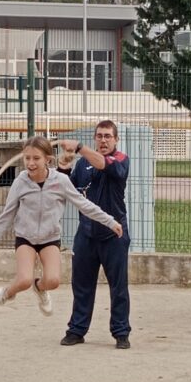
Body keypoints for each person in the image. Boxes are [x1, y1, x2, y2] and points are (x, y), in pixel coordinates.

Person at [0, 135, 122, 319]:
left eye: (36, 158)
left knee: (53, 281)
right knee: (24, 280)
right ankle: (4, 294)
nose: (31, 163)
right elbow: (7, 215)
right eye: (27, 158)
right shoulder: (20, 182)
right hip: (26, 238)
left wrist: (110, 221)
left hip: (50, 238)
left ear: (48, 159)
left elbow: (84, 205)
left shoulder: (60, 181)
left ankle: (39, 288)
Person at [58, 120, 132, 349]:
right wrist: (64, 167)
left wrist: (79, 147)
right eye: (99, 136)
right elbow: (65, 190)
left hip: (114, 234)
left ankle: (121, 333)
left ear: (116, 139)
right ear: (95, 138)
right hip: (86, 234)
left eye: (108, 136)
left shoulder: (121, 159)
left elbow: (102, 163)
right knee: (81, 285)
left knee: (118, 287)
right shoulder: (83, 165)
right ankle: (76, 330)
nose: (103, 140)